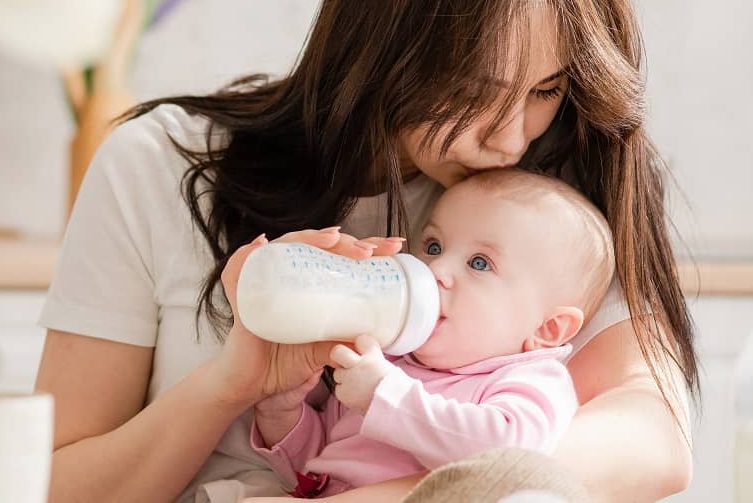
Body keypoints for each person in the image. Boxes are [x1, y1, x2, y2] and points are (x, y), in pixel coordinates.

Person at [36, 0, 696, 503]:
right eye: (475, 91)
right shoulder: (158, 165)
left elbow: (654, 439)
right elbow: (54, 488)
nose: (511, 138)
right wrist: (229, 386)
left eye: (546, 89)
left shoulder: (549, 203)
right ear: (379, 45)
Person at [246, 169, 615, 499]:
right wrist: (282, 414)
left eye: (479, 263)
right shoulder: (387, 360)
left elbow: (507, 456)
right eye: (434, 247)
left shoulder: (529, 379)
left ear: (547, 328)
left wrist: (384, 395)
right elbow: (319, 467)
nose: (436, 268)